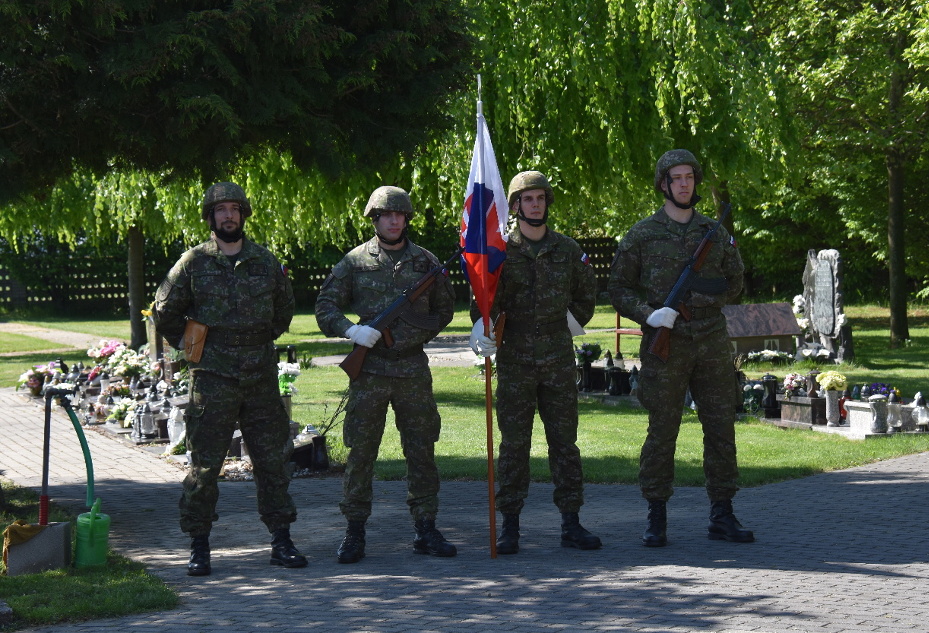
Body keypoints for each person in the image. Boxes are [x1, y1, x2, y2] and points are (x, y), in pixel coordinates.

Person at [153, 182, 307, 576]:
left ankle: (282, 540)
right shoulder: (193, 263)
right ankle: (199, 544)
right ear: (211, 217)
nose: (228, 216)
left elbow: (284, 310)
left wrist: (255, 342)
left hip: (260, 378)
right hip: (212, 378)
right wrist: (194, 346)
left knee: (273, 462)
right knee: (205, 467)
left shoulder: (265, 262)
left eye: (234, 209)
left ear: (243, 214)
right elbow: (165, 311)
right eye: (220, 210)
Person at [607, 149, 754, 547]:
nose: (685, 184)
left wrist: (702, 301)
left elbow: (735, 282)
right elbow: (618, 287)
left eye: (690, 177)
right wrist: (649, 315)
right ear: (664, 184)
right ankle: (656, 515)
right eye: (677, 178)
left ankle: (722, 512)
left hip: (711, 341)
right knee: (662, 430)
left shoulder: (714, 232)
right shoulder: (643, 234)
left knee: (721, 427)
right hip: (666, 345)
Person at [315, 185, 457, 564]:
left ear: (406, 219)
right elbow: (325, 307)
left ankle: (426, 527)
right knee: (361, 452)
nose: (394, 221)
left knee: (421, 449)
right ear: (374, 219)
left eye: (399, 215)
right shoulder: (355, 262)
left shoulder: (426, 262)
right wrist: (352, 331)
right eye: (386, 215)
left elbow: (444, 310)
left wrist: (417, 335)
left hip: (412, 369)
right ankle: (354, 531)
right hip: (370, 371)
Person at [468, 170, 602, 554]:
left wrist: (564, 326)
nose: (535, 204)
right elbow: (484, 300)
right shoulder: (499, 252)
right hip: (515, 362)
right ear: (514, 206)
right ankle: (510, 525)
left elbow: (586, 297)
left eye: (540, 198)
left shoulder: (567, 249)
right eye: (528, 199)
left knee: (564, 445)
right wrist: (483, 327)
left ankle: (571, 523)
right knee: (514, 446)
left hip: (558, 360)